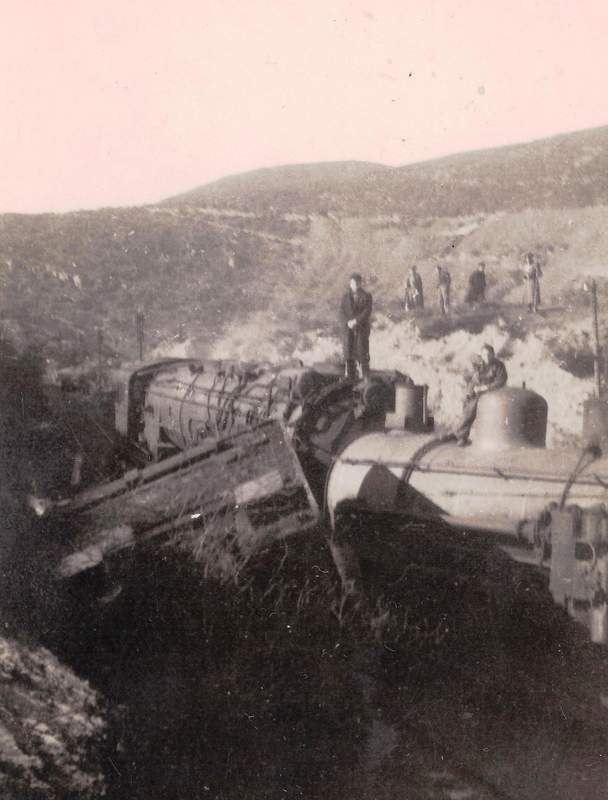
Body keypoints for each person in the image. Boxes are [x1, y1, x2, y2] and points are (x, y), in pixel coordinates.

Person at [453, 344, 507, 446]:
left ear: (493, 354)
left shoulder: (499, 366)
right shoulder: (479, 364)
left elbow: (501, 381)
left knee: (475, 406)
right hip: (478, 389)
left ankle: (464, 435)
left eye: (489, 354)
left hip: (493, 391)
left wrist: (485, 388)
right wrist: (470, 391)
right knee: (468, 405)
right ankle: (461, 435)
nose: (487, 357)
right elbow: (472, 379)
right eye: (484, 354)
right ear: (481, 355)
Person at [340, 272, 372, 380]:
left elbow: (367, 311)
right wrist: (348, 322)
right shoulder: (345, 297)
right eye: (353, 283)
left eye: (357, 283)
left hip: (361, 327)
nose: (355, 285)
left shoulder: (367, 296)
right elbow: (341, 312)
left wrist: (356, 321)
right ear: (350, 284)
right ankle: (349, 374)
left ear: (360, 283)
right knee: (348, 350)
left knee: (362, 350)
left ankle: (364, 374)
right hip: (348, 328)